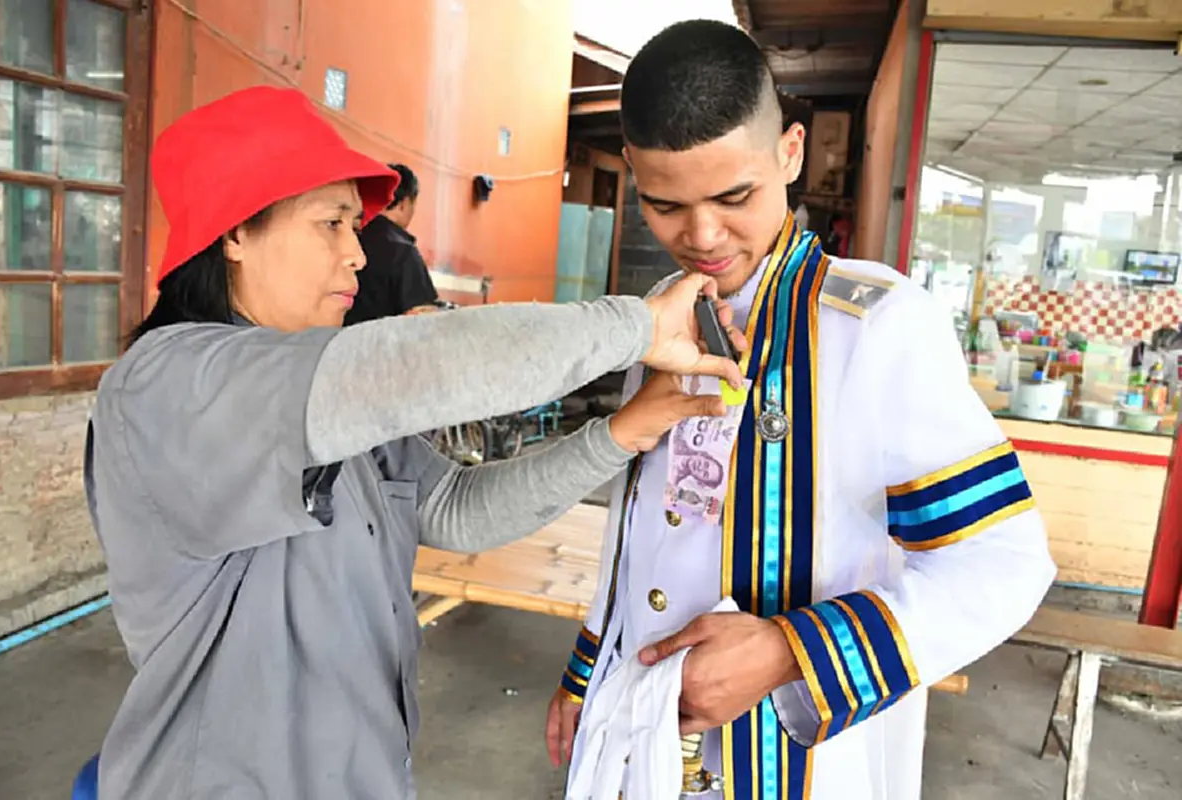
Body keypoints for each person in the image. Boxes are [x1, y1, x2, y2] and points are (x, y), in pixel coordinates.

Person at [82, 84, 750, 800]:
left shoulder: (330, 402)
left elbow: (453, 507)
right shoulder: (167, 386)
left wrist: (620, 431)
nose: (358, 256)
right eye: (332, 224)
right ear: (236, 233)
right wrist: (639, 327)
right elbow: (417, 362)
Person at [545, 20, 1056, 800]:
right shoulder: (661, 312)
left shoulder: (876, 323)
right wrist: (588, 672)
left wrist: (793, 653)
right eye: (664, 205)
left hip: (804, 761)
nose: (702, 235)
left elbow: (1003, 565)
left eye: (734, 195)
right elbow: (642, 527)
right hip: (641, 732)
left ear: (790, 152)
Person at [343, 162, 440, 322]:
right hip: (382, 345)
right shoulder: (403, 251)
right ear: (404, 203)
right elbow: (421, 320)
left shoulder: (347, 240)